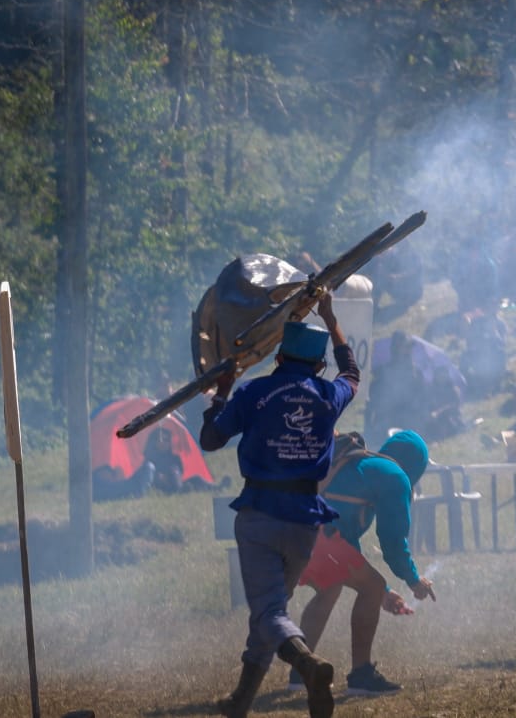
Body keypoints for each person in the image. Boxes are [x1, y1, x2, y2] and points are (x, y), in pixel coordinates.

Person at [199, 295, 359, 718]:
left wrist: (222, 392)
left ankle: (307, 665)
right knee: (272, 611)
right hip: (305, 520)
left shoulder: (254, 391)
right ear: (317, 365)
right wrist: (330, 318)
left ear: (280, 355)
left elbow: (210, 440)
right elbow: (353, 373)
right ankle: (240, 701)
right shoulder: (330, 393)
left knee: (269, 611)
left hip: (260, 514)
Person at [295, 430, 437, 696]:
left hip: (293, 527)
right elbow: (393, 543)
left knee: (331, 587)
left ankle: (299, 669)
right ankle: (361, 676)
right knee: (371, 586)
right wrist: (413, 579)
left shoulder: (364, 465)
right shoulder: (395, 477)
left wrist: (384, 594)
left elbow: (345, 541)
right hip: (316, 535)